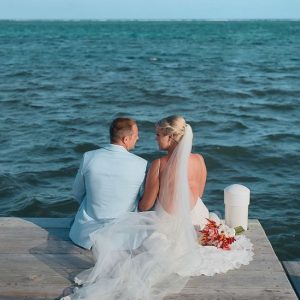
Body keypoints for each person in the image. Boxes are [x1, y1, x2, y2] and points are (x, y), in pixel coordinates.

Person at [63, 116, 253, 300]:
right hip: (196, 218)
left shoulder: (158, 164)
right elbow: (199, 192)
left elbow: (145, 205)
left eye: (158, 134)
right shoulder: (200, 160)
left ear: (170, 137)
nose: (154, 138)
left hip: (166, 224)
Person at [69, 117, 148, 249]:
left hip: (85, 235)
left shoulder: (89, 157)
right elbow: (142, 202)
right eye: (136, 135)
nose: (138, 138)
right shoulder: (142, 164)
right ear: (126, 139)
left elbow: (77, 192)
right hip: (124, 238)